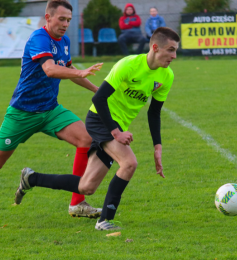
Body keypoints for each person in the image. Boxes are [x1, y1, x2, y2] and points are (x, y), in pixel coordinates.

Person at [14, 27, 180, 231]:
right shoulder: (128, 65)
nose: (174, 56)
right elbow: (99, 98)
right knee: (129, 163)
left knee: (87, 186)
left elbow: (154, 113)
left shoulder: (167, 75)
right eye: (171, 50)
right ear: (155, 47)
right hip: (101, 119)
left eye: (175, 51)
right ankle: (105, 221)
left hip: (115, 126)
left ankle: (31, 178)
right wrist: (116, 132)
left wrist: (158, 146)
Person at [0, 0, 102, 218]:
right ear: (48, 18)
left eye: (68, 20)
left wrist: (97, 90)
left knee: (86, 139)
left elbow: (68, 68)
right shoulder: (39, 38)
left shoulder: (64, 41)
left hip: (50, 110)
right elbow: (49, 69)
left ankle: (77, 204)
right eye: (61, 19)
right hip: (22, 113)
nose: (65, 24)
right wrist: (78, 73)